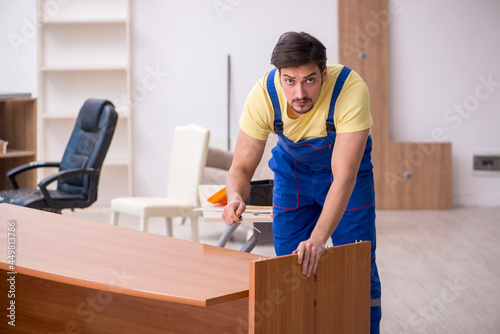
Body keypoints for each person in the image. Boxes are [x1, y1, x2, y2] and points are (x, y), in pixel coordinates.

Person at [221, 31, 381, 333]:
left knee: (357, 268)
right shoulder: (263, 95)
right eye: (289, 81)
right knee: (289, 268)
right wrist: (235, 196)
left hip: (348, 178)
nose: (299, 93)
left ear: (323, 73)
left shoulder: (349, 89)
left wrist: (319, 238)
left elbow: (343, 177)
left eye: (309, 80)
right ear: (278, 76)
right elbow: (241, 166)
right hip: (292, 174)